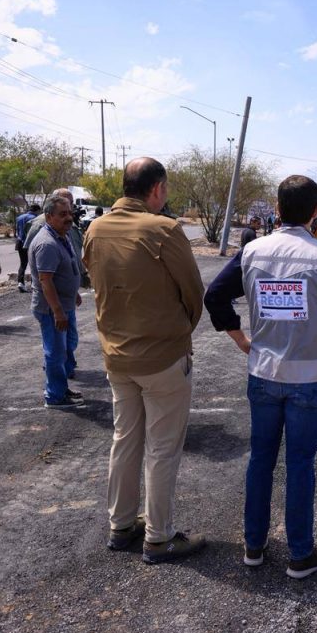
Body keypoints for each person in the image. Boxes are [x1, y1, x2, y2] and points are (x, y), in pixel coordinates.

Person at [204, 174, 317, 579]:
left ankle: (253, 546)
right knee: (300, 464)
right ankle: (300, 554)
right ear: (315, 212)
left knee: (261, 460)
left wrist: (240, 338)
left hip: (264, 374)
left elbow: (215, 295)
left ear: (276, 209)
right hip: (309, 378)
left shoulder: (253, 252)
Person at [83, 157, 207, 565]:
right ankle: (159, 536)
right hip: (163, 357)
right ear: (157, 189)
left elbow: (94, 280)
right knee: (163, 448)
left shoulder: (95, 229)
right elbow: (193, 293)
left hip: (117, 356)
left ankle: (121, 525)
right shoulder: (164, 229)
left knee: (125, 440)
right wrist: (179, 332)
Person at [29, 195, 83, 409]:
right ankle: (54, 396)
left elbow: (66, 269)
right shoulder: (47, 243)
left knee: (64, 349)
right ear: (49, 217)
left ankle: (61, 388)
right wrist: (58, 312)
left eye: (70, 213)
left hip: (64, 304)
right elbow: (46, 281)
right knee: (55, 352)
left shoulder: (62, 235)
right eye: (63, 214)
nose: (69, 218)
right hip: (51, 309)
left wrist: (73, 293)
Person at [16, 203, 41, 292]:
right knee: (34, 263)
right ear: (37, 210)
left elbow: (17, 230)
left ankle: (20, 282)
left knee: (23, 263)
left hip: (19, 242)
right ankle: (33, 283)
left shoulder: (19, 218)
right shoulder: (34, 219)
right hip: (30, 242)